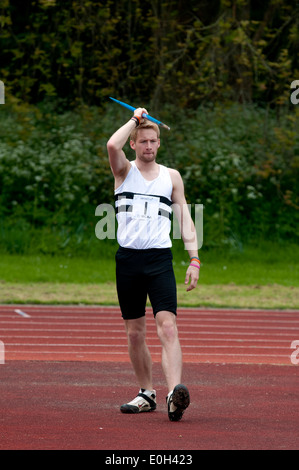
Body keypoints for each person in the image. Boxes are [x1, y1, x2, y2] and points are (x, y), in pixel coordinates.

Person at [107, 107, 199, 421]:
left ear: (159, 143)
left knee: (168, 327)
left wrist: (194, 258)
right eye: (143, 141)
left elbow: (186, 219)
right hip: (128, 260)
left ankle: (175, 394)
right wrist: (134, 119)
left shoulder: (171, 177)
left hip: (160, 260)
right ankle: (147, 393)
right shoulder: (123, 171)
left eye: (153, 141)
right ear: (134, 144)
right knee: (134, 333)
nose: (148, 146)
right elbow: (111, 146)